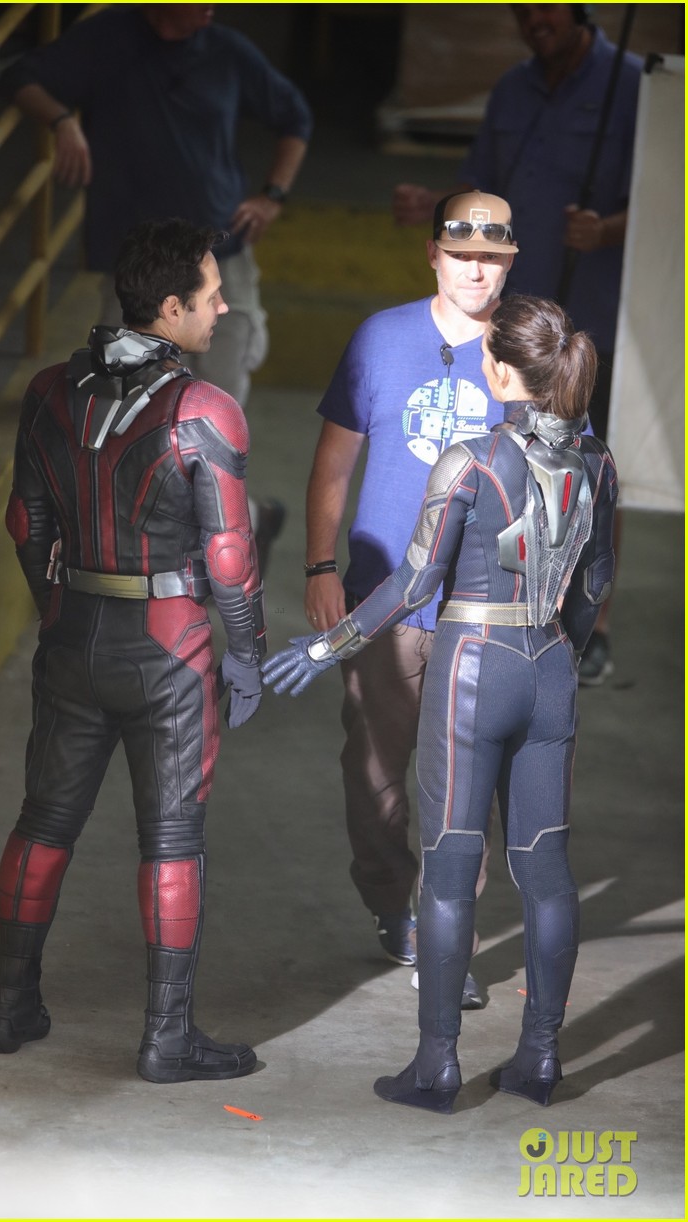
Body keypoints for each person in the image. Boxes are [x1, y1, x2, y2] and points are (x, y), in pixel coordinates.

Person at [264, 294, 618, 1113]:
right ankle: (539, 1061)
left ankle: (436, 1067)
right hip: (549, 667)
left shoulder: (471, 459)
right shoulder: (596, 463)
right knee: (546, 875)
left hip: (472, 663)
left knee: (449, 873)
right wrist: (555, 650)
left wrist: (326, 645)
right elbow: (594, 585)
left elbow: (413, 583)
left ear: (498, 370)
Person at [0, 218, 267, 1085]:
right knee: (171, 839)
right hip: (168, 647)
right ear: (170, 308)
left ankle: (7, 1007)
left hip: (74, 630)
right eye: (211, 295)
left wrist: (59, 608)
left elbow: (25, 521)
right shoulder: (204, 410)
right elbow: (229, 556)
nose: (222, 308)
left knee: (43, 823)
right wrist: (247, 651)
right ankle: (166, 1038)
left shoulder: (48, 391)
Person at [2, 2, 313, 569]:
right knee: (126, 415)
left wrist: (274, 195)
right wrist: (63, 121)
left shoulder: (227, 50)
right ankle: (202, 538)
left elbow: (296, 117)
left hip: (220, 264)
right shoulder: (106, 38)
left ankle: (225, 544)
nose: (211, 8)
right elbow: (20, 76)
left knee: (213, 416)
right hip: (137, 271)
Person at [304, 190, 518, 999]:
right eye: (463, 255)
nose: (477, 271)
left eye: (492, 258)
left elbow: (564, 478)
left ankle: (445, 937)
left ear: (510, 262)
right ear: (432, 254)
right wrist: (319, 568)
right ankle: (391, 900)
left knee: (465, 787)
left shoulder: (528, 348)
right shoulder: (380, 338)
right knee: (373, 778)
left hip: (484, 610)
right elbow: (333, 464)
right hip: (383, 601)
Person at [392, 3, 641, 684]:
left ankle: (592, 623)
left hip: (588, 318)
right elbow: (483, 182)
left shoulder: (630, 85)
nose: (533, 18)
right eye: (521, 8)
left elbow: (665, 195)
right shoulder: (512, 86)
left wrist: (607, 230)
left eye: (546, 6)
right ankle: (509, 599)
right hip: (513, 319)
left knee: (587, 464)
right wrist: (435, 203)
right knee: (506, 455)